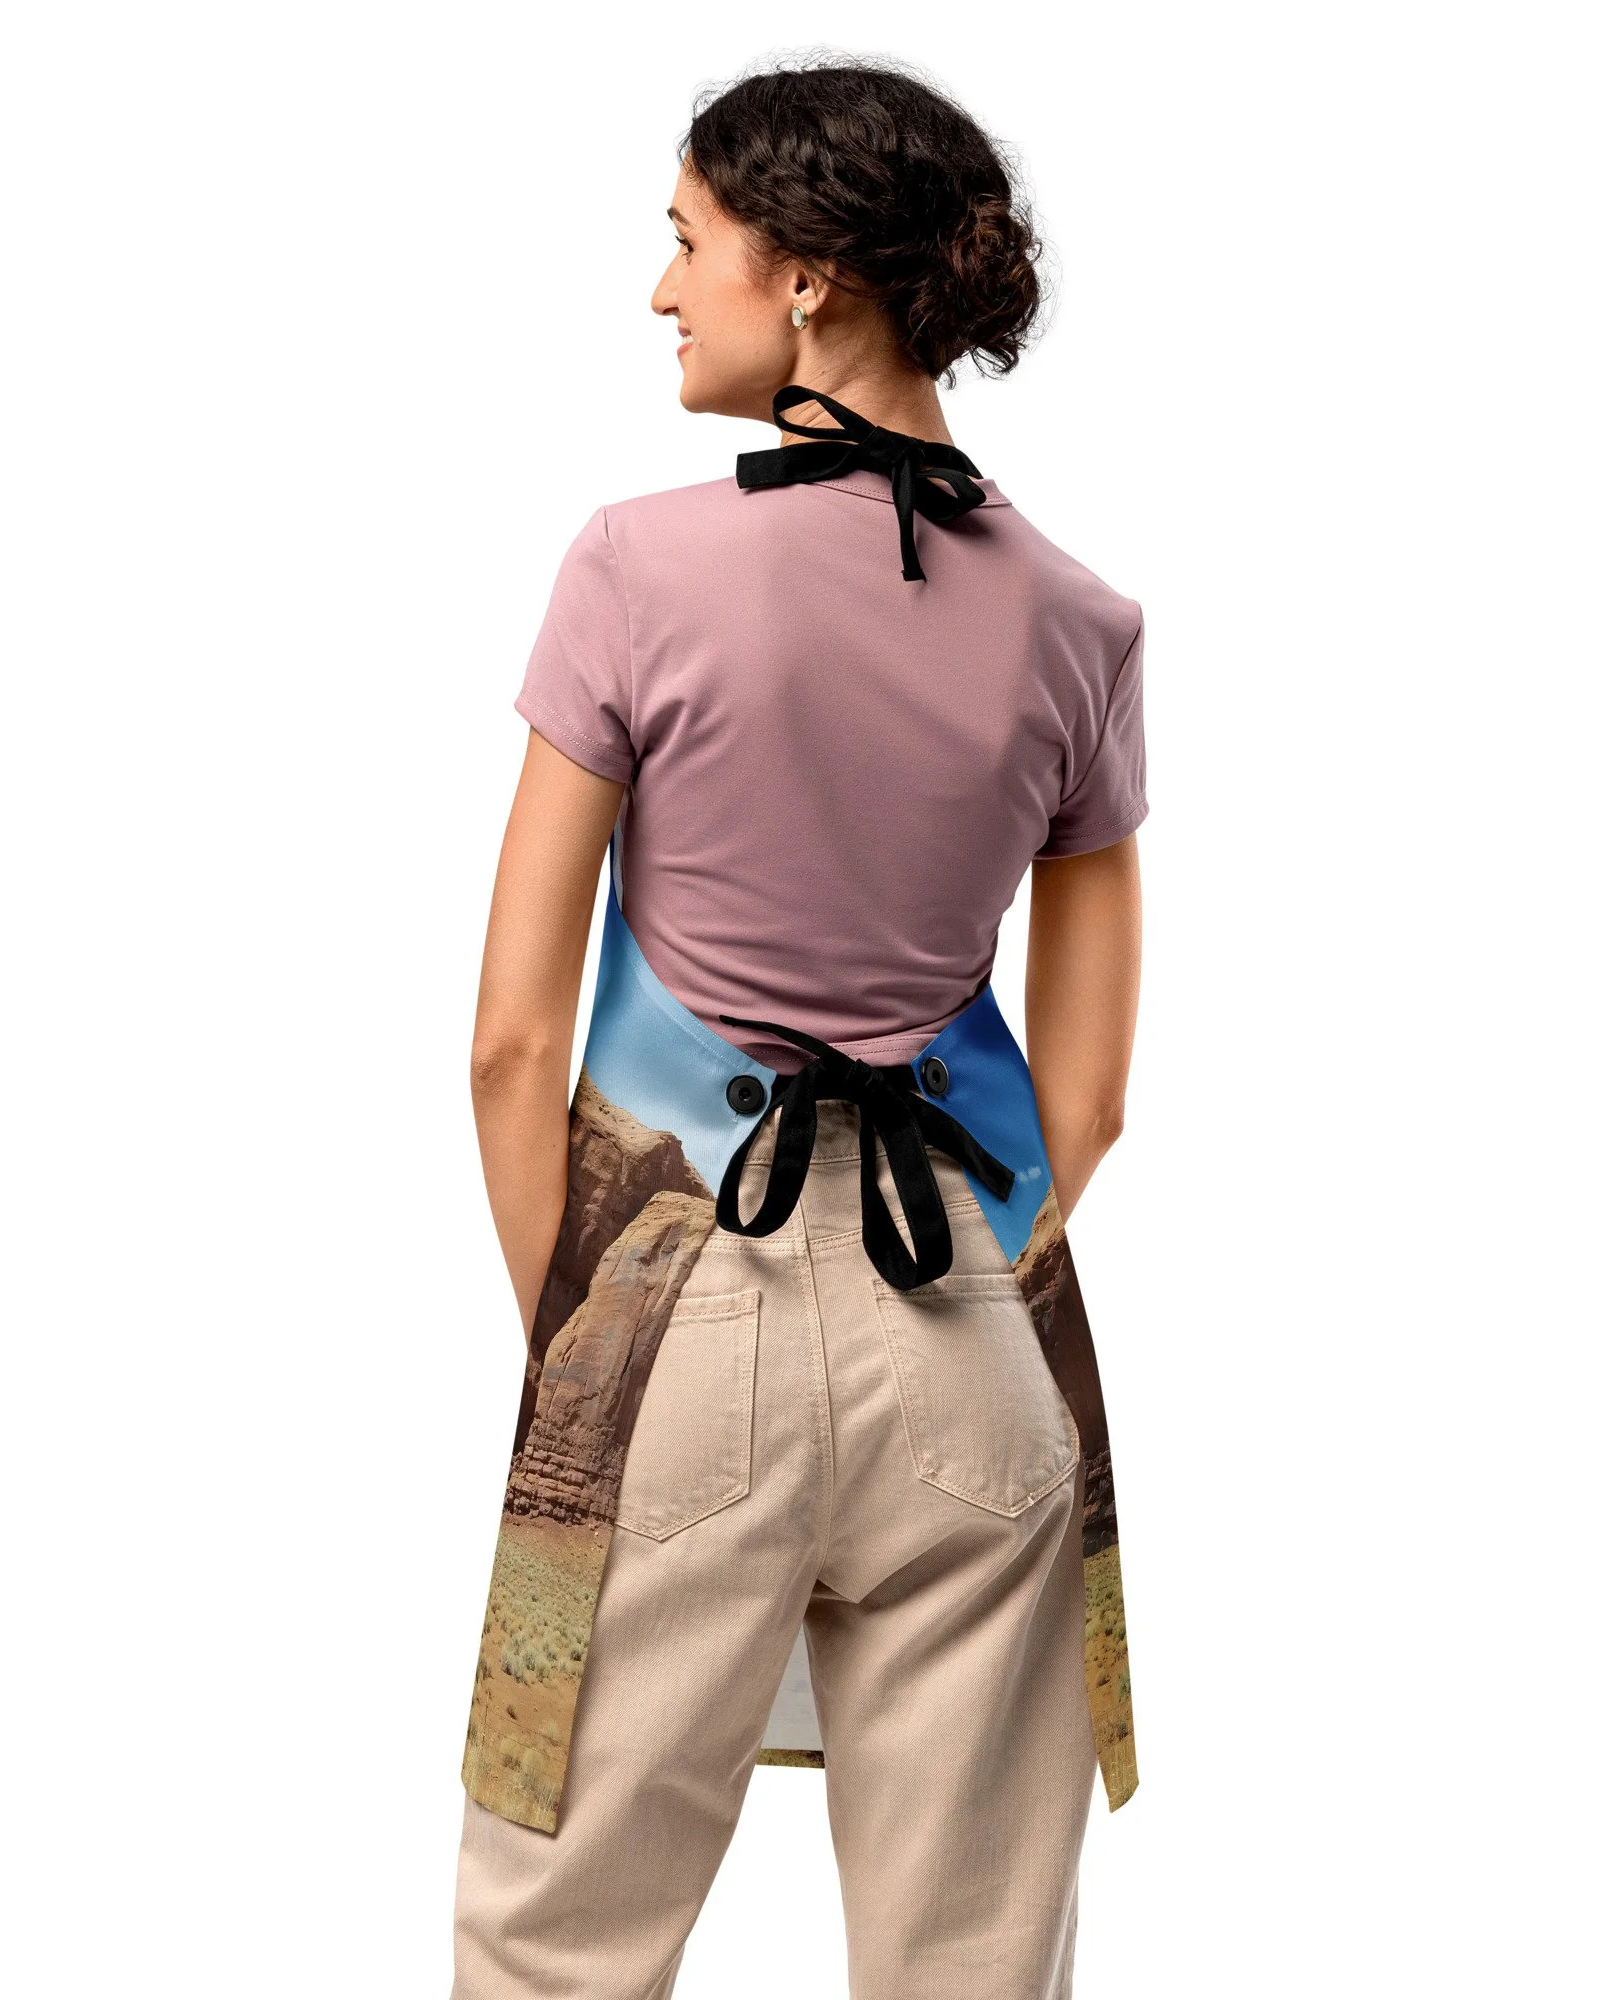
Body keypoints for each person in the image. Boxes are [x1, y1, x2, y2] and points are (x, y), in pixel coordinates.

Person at [451, 57, 1146, 2000]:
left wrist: (583, 1349)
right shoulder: (1081, 622)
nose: (662, 290)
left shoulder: (635, 565)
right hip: (980, 1335)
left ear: (810, 276)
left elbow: (510, 1040)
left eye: (690, 242)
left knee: (556, 1941)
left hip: (684, 1299)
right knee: (971, 1957)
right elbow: (1087, 1089)